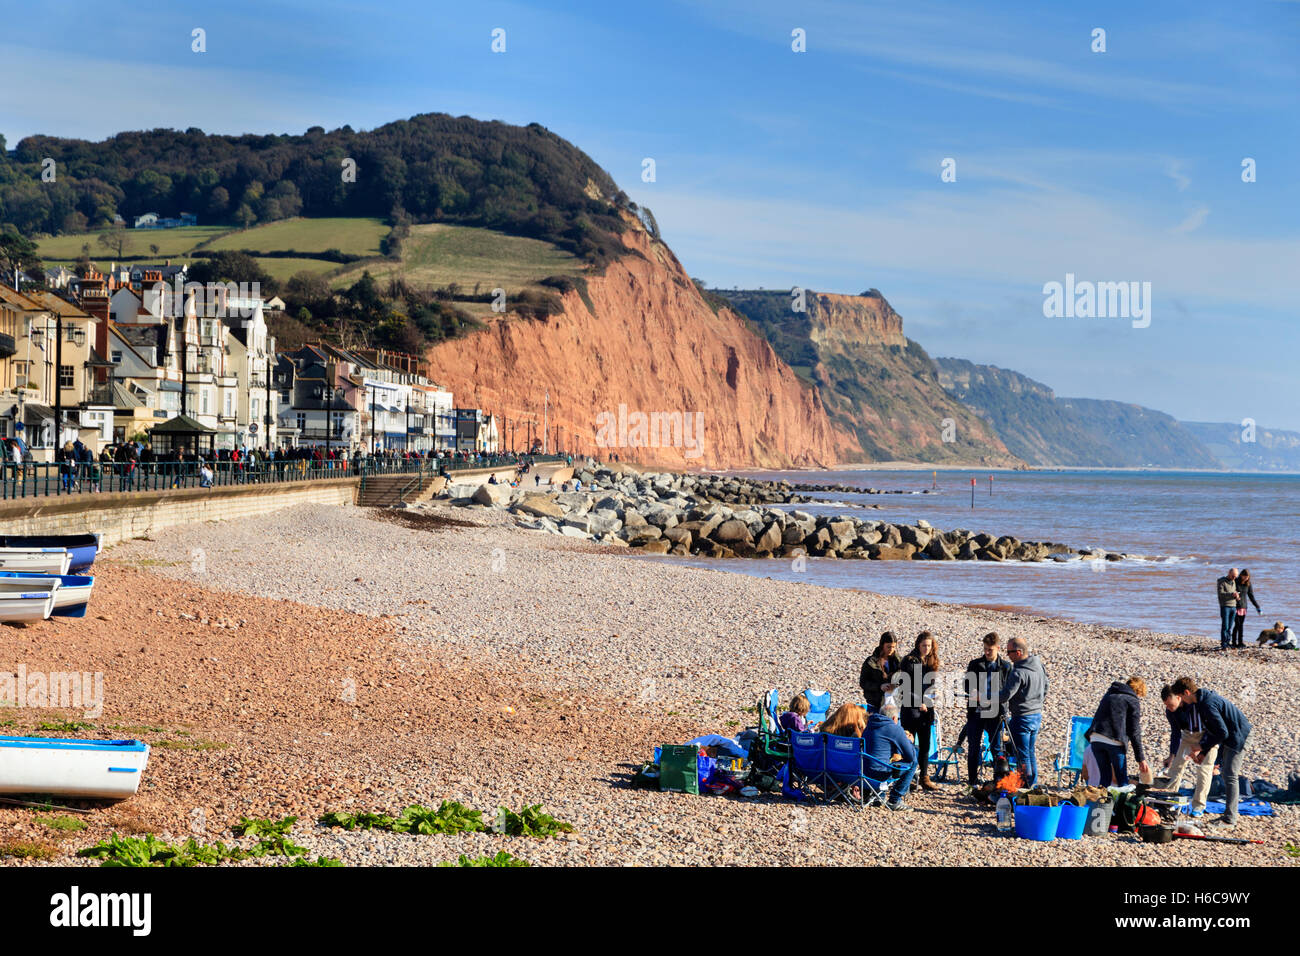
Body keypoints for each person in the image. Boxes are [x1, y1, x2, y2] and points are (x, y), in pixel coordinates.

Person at [1172, 676, 1252, 828]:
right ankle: (1228, 816)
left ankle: (1230, 819)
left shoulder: (1207, 704)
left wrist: (1200, 747)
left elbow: (1222, 732)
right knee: (1227, 774)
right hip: (1231, 736)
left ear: (1187, 692)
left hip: (1240, 735)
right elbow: (1212, 730)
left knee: (1230, 776)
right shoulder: (1202, 701)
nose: (1182, 701)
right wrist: (1203, 753)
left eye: (1181, 697)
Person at [1157, 684, 1215, 817]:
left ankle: (1198, 807)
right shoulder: (1170, 712)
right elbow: (1176, 733)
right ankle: (1170, 800)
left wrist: (1204, 749)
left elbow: (1215, 728)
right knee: (1176, 767)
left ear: (1179, 697)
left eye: (1170, 704)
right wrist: (1172, 754)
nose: (1169, 708)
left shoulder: (1193, 705)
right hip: (1188, 736)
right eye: (1166, 705)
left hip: (1206, 735)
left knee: (1204, 770)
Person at [963, 632, 1012, 786]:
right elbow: (966, 686)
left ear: (998, 648)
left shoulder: (1005, 666)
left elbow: (1008, 690)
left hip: (996, 713)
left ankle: (998, 781)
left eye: (990, 649)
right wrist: (974, 693)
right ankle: (972, 781)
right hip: (976, 712)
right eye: (985, 649)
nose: (987, 652)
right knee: (973, 747)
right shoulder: (975, 664)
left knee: (997, 748)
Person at [998, 636, 1048, 788]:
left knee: (1022, 755)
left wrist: (985, 698)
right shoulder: (1038, 665)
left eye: (1009, 652)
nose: (1008, 656)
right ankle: (1032, 786)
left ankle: (1025, 787)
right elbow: (1046, 687)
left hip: (1022, 717)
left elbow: (1005, 696)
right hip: (1036, 715)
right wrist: (1037, 703)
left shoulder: (1018, 672)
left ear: (1018, 652)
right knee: (1030, 752)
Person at [1085, 677, 1150, 788]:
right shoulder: (1132, 700)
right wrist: (1140, 759)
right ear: (1138, 692)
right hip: (1114, 741)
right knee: (1122, 781)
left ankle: (1103, 804)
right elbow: (1134, 731)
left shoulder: (1109, 695)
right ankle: (1121, 804)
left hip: (1095, 738)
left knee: (1104, 780)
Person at [899, 631, 941, 792]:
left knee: (925, 745)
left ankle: (924, 777)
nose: (926, 648)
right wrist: (919, 702)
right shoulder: (909, 661)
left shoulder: (930, 662)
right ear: (918, 645)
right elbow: (905, 686)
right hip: (911, 709)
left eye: (929, 645)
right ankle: (907, 777)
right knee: (908, 745)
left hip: (927, 709)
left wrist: (935, 693)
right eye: (924, 645)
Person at [862, 702, 918, 811]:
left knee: (880, 758)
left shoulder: (869, 725)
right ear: (894, 718)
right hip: (879, 774)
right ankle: (894, 799)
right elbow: (910, 756)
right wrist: (909, 742)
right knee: (913, 762)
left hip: (862, 771)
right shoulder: (894, 728)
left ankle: (879, 796)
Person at [858, 631, 902, 712]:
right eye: (888, 647)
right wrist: (880, 686)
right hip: (875, 704)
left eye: (893, 647)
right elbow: (863, 682)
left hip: (894, 704)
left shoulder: (899, 662)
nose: (891, 650)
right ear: (882, 645)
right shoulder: (870, 662)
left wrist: (896, 686)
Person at [1231, 570, 1261, 647]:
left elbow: (1251, 596)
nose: (1246, 579)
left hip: (1244, 607)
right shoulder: (1235, 582)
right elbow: (1231, 592)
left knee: (1241, 625)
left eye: (1247, 577)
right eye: (1245, 577)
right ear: (1241, 575)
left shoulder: (1248, 584)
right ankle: (1234, 642)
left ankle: (1240, 642)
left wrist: (1257, 606)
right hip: (1235, 606)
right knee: (1237, 624)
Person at [1216, 568, 1239, 650]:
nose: (1234, 578)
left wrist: (1237, 596)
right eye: (1233, 576)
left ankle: (1228, 642)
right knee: (1225, 626)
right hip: (1225, 606)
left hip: (1233, 606)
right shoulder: (1221, 581)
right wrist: (1232, 594)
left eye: (1236, 576)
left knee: (1230, 627)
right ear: (1229, 573)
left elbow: (1234, 591)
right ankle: (1224, 644)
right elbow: (1221, 593)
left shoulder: (1234, 581)